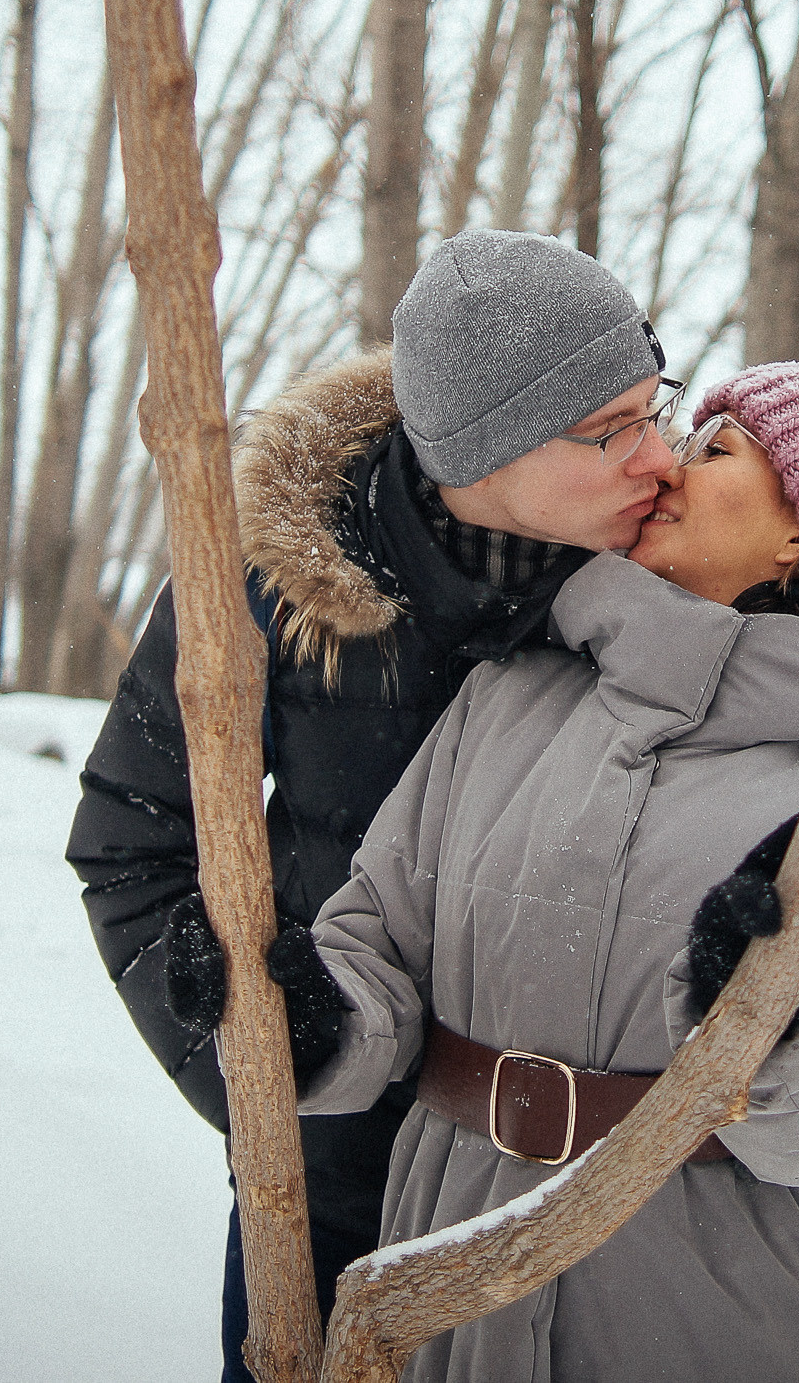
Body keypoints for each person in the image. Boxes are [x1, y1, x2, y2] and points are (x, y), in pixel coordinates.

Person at [175, 362, 799, 1382]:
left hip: (715, 1300)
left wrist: (775, 1021)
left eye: (713, 451)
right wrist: (306, 1015)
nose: (668, 466)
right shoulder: (508, 693)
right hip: (442, 1264)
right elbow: (377, 948)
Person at [66, 230, 681, 1383]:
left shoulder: (661, 583)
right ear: (482, 452)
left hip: (561, 1195)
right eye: (612, 430)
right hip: (327, 1192)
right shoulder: (272, 582)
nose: (661, 456)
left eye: (661, 405)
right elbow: (130, 842)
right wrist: (263, 1091)